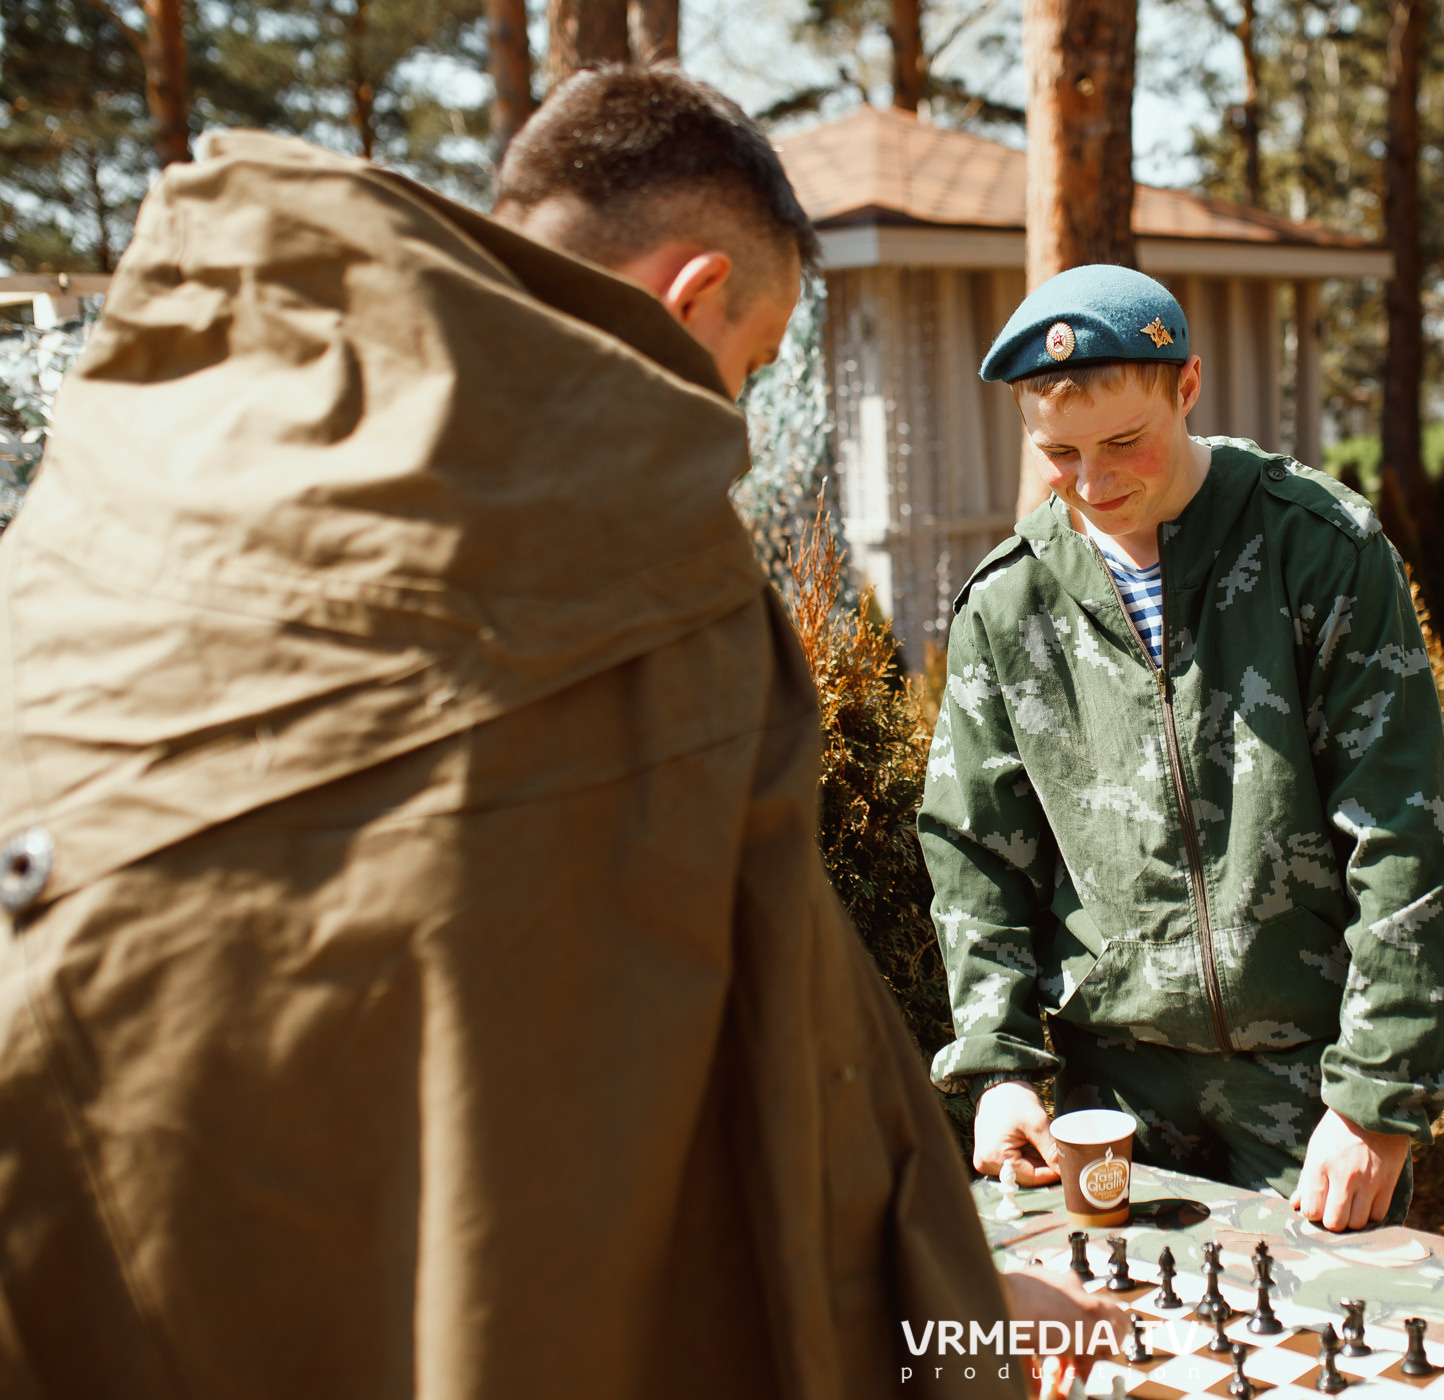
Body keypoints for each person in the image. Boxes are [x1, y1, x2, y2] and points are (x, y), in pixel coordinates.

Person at [0, 66, 1114, 1399]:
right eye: (754, 367)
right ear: (691, 294)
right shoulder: (654, 590)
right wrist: (970, 1322)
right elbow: (801, 1151)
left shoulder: (110, 494)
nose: (736, 424)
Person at [920, 264, 1444, 1233]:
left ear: (1188, 386)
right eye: (1059, 453)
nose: (1094, 484)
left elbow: (1405, 825)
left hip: (1312, 1087)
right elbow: (976, 853)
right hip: (1107, 1097)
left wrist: (1377, 1097)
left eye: (1123, 442)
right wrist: (999, 1068)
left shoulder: (1320, 550)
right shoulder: (1009, 604)